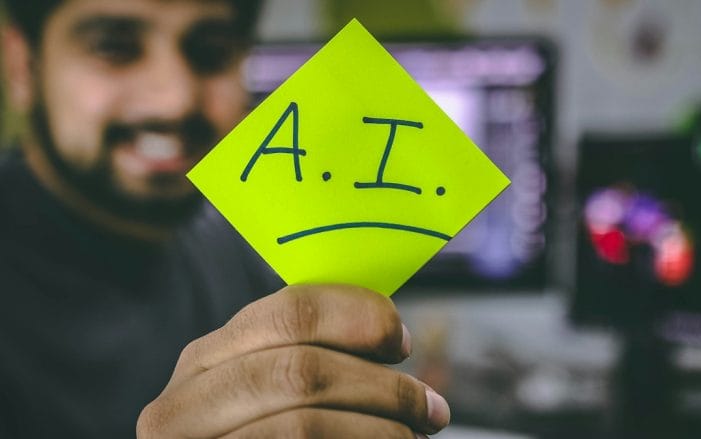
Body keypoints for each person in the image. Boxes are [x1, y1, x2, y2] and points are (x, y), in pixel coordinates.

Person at [0, 0, 450, 437]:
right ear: (22, 65)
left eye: (211, 52)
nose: (174, 100)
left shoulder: (240, 250)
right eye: (113, 48)